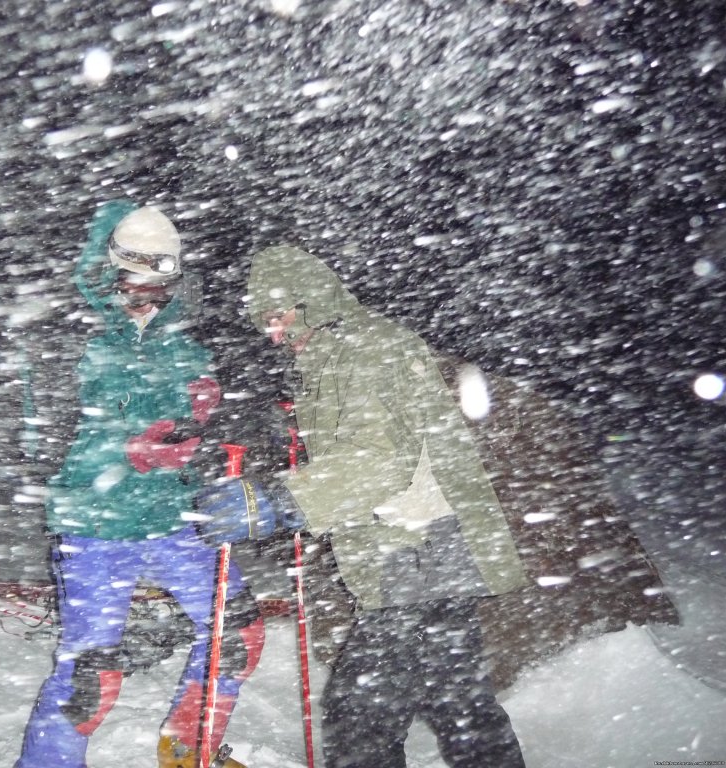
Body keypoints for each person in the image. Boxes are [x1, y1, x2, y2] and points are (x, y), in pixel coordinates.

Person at [198, 244, 528, 767]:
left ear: (309, 300)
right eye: (263, 319)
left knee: (360, 714)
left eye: (278, 313)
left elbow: (379, 462)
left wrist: (277, 500)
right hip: (432, 547)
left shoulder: (363, 350)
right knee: (460, 704)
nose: (272, 331)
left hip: (417, 549)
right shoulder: (342, 350)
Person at [14, 202, 263, 768]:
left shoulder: (185, 342)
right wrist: (126, 451)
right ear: (109, 271)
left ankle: (187, 746)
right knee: (89, 678)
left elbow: (203, 432)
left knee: (237, 634)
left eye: (163, 283)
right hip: (95, 523)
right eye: (137, 281)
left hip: (175, 515)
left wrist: (209, 421)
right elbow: (40, 448)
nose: (150, 295)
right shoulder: (65, 338)